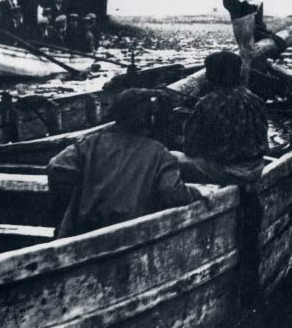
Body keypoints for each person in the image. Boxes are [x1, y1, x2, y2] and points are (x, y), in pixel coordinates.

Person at [47, 88, 198, 238]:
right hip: (133, 235)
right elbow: (173, 193)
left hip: (87, 227)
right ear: (150, 119)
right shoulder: (160, 153)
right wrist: (197, 194)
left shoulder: (90, 144)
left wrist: (71, 204)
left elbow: (55, 166)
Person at [177, 51, 269, 187]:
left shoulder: (207, 103)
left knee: (168, 159)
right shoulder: (256, 100)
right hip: (256, 167)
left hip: (230, 172)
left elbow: (190, 147)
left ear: (212, 76)